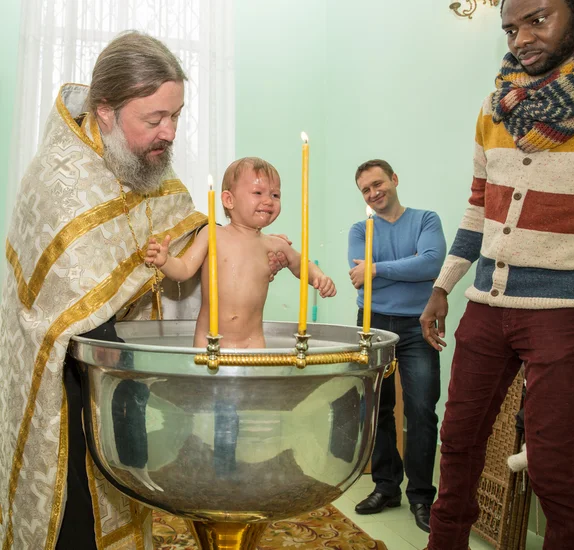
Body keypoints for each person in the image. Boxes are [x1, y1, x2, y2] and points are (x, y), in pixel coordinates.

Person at [0, 33, 284, 550]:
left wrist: (241, 261)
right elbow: (69, 304)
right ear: (105, 112)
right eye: (154, 119)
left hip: (117, 375)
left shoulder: (143, 164)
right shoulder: (59, 181)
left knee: (126, 490)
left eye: (175, 116)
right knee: (77, 517)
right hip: (63, 386)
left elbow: (186, 239)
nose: (168, 133)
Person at [420, 1, 574, 548]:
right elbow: (480, 206)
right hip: (486, 305)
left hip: (568, 311)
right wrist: (442, 285)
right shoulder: (493, 108)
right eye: (511, 28)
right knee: (457, 444)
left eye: (538, 19)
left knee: (555, 468)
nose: (521, 38)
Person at [145, 157, 337, 348]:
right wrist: (165, 261)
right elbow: (184, 269)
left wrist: (318, 277)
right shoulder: (213, 234)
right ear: (229, 200)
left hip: (252, 343)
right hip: (210, 341)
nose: (268, 201)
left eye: (275, 195)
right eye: (258, 192)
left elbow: (300, 264)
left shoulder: (274, 245)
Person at [348, 159, 446, 533]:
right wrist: (400, 270)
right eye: (366, 190)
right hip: (372, 325)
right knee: (377, 407)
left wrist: (376, 269)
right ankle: (386, 487)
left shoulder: (426, 220)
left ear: (394, 180)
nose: (374, 193)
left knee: (422, 410)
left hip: (416, 325)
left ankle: (422, 496)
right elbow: (359, 278)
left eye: (378, 184)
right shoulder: (361, 229)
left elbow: (432, 264)